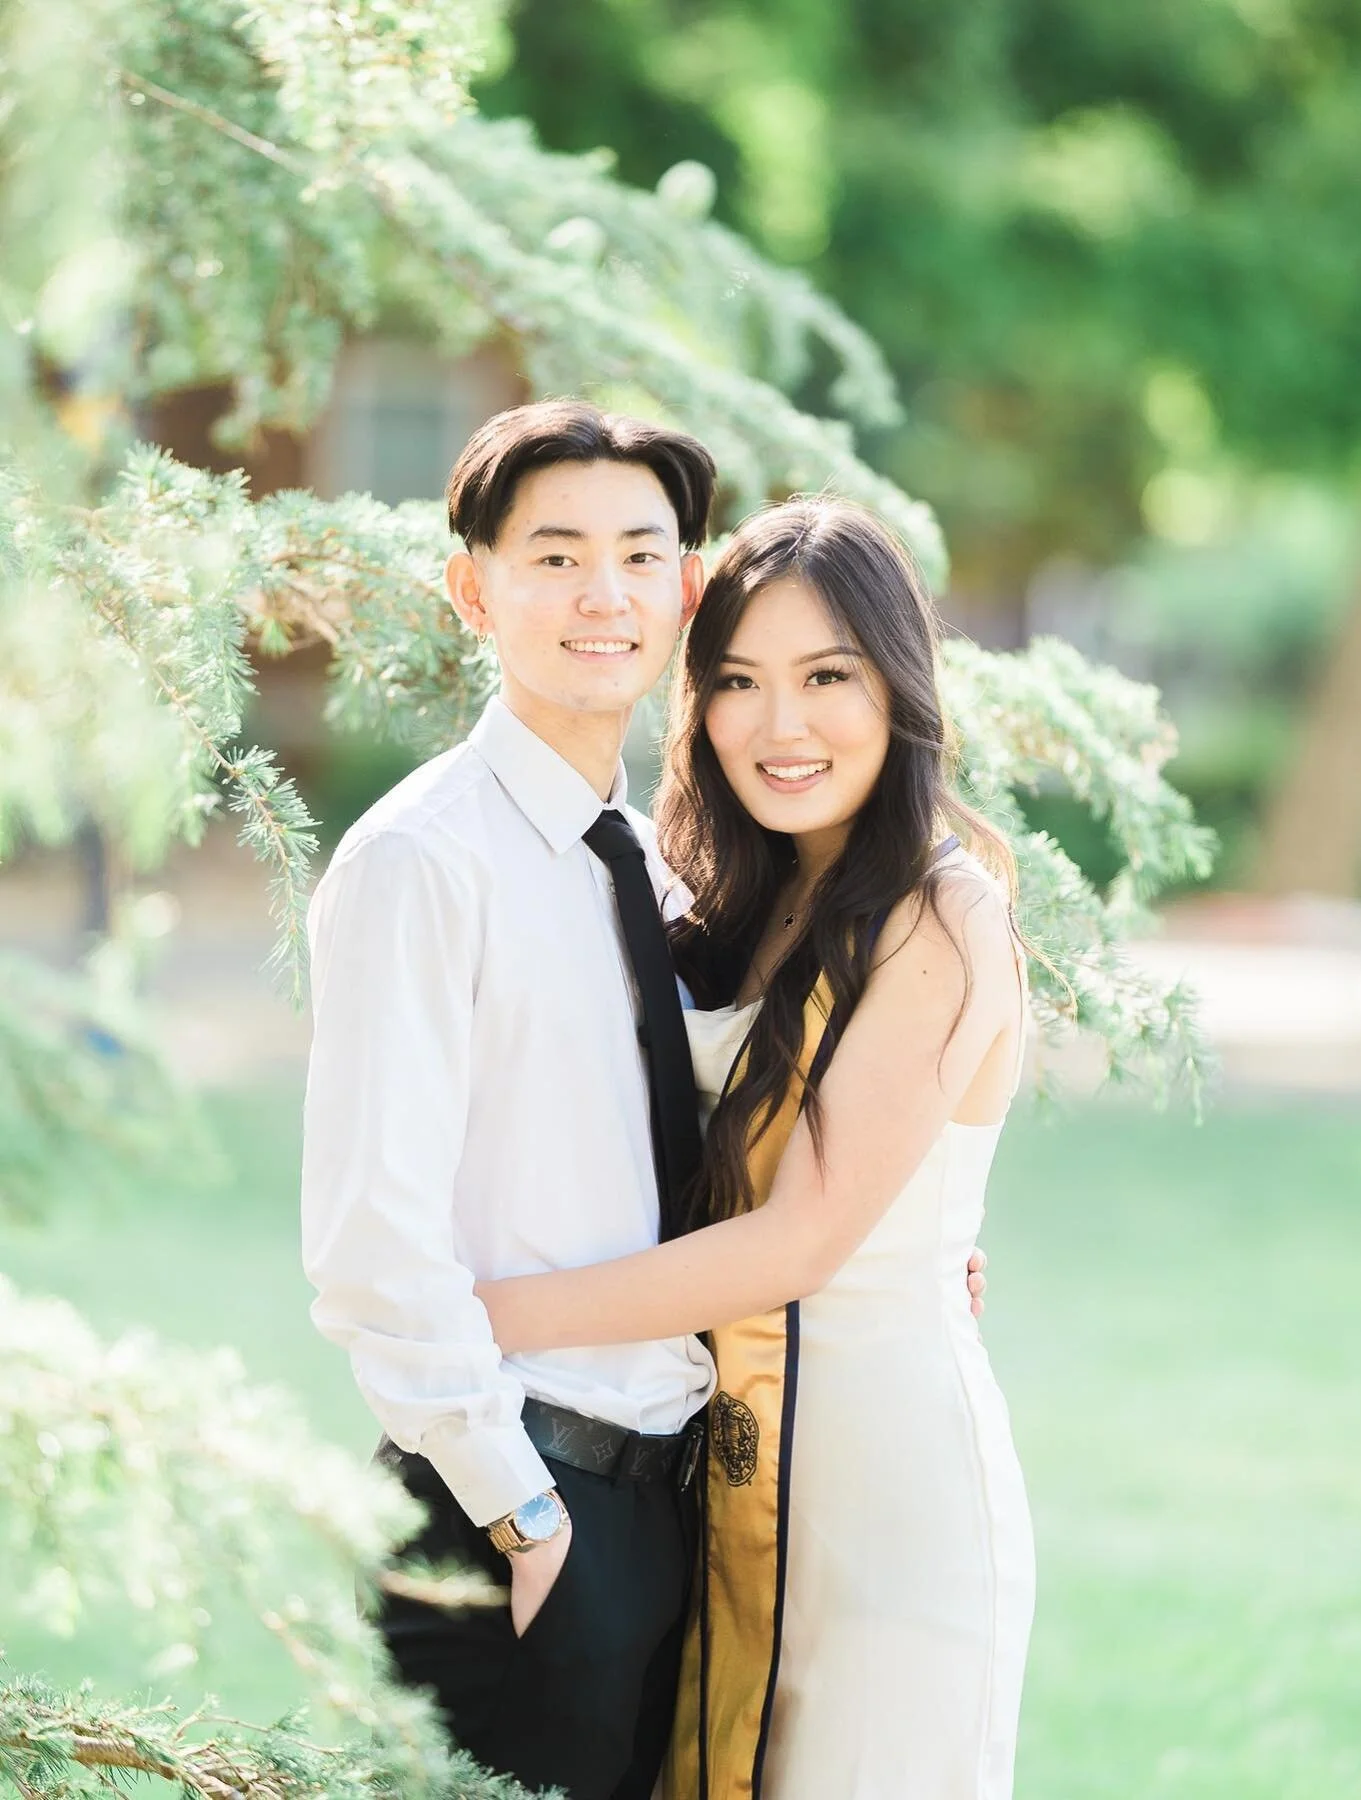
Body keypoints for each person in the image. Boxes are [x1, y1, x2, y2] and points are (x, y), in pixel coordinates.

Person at [300, 403, 988, 1800]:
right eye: (553, 557)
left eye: (637, 554)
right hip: (520, 1492)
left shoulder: (664, 879)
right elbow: (374, 1241)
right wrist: (524, 1513)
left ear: (683, 587)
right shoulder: (423, 865)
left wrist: (912, 1240)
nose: (599, 595)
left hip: (677, 1494)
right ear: (472, 585)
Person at [475, 495, 1035, 1800]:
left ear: (898, 683)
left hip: (889, 1510)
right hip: (723, 1474)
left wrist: (486, 1312)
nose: (781, 727)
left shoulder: (940, 915)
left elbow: (799, 1240)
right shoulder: (750, 896)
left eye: (826, 676)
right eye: (738, 681)